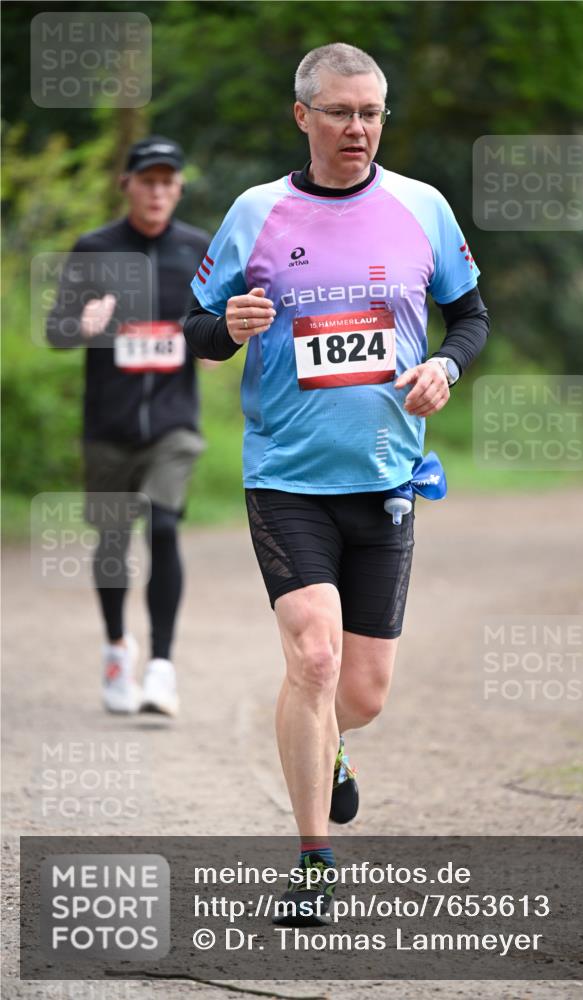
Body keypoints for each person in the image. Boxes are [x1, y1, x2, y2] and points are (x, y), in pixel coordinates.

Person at [184, 43, 489, 922]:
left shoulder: (421, 207)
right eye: (340, 113)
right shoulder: (256, 212)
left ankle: (332, 748)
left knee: (360, 694)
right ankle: (314, 862)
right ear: (303, 117)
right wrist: (226, 326)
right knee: (312, 658)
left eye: (371, 112)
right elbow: (197, 325)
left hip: (388, 476)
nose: (357, 128)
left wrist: (445, 366)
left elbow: (468, 314)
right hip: (285, 475)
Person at [47, 136, 211, 717]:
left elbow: (216, 333)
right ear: (128, 185)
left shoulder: (199, 249)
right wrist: (82, 322)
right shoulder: (94, 249)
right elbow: (57, 331)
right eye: (148, 181)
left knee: (163, 526)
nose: (158, 192)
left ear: (179, 188)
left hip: (174, 424)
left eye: (169, 182)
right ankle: (118, 648)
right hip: (108, 425)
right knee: (113, 541)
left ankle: (161, 667)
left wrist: (219, 344)